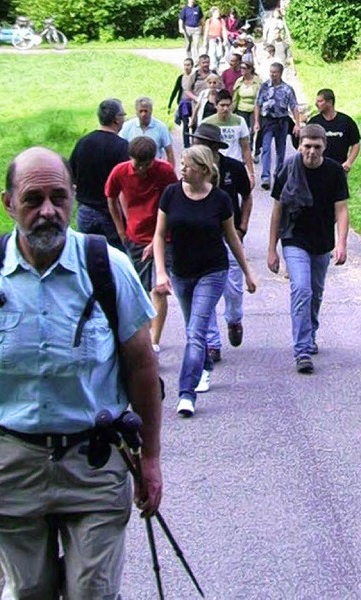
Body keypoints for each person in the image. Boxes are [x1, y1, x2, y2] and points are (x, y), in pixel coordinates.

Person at [0, 147, 163, 598]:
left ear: (73, 197)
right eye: (33, 199)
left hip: (94, 463)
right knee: (28, 590)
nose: (48, 211)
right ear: (8, 203)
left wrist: (149, 459)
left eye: (59, 197)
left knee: (92, 592)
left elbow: (142, 367)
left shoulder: (107, 268)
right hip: (8, 463)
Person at [153, 146, 256, 417]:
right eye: (182, 164)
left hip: (213, 271)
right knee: (192, 327)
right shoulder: (171, 194)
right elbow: (159, 235)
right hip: (182, 272)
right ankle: (206, 366)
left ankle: (186, 394)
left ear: (203, 169)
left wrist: (246, 271)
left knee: (195, 333)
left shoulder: (220, 199)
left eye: (187, 165)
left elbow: (232, 237)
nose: (182, 169)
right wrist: (161, 272)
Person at [267, 125, 349, 373]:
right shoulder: (289, 169)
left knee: (315, 292)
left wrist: (342, 243)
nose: (311, 152)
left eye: (317, 147)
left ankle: (310, 331)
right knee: (301, 289)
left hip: (322, 240)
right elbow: (277, 211)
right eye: (307, 146)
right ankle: (301, 350)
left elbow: (342, 209)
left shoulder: (334, 171)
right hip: (294, 237)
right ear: (300, 145)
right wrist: (272, 248)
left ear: (324, 146)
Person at [106, 137, 178, 354]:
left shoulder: (164, 171)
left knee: (159, 287)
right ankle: (143, 334)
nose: (140, 169)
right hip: (135, 236)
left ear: (153, 160)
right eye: (137, 163)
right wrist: (120, 228)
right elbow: (110, 197)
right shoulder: (120, 171)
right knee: (139, 288)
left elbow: (174, 203)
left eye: (145, 164)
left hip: (163, 235)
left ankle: (154, 341)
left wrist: (158, 238)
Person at [190, 124, 253, 363]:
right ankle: (212, 343)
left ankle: (234, 319)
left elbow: (247, 197)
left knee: (233, 291)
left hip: (230, 237)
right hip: (202, 240)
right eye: (196, 141)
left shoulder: (234, 168)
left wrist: (243, 226)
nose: (196, 145)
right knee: (204, 294)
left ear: (214, 146)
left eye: (201, 142)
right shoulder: (192, 171)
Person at [69, 98, 128, 251]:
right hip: (111, 215)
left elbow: (70, 175)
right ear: (116, 119)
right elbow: (126, 187)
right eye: (123, 115)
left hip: (85, 212)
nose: (124, 119)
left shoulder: (83, 143)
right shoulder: (122, 147)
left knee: (87, 260)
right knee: (116, 261)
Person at [254, 62, 302, 190]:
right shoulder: (264, 87)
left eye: (275, 72)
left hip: (282, 121)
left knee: (281, 150)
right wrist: (257, 122)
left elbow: (294, 106)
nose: (272, 74)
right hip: (267, 121)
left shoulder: (287, 89)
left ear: (280, 73)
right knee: (266, 148)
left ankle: (279, 174)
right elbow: (258, 104)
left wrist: (297, 124)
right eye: (271, 71)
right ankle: (265, 177)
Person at [201, 89, 255, 187]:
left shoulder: (239, 121)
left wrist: (251, 173)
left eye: (228, 105)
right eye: (222, 105)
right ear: (215, 105)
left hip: (235, 164)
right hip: (214, 166)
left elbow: (246, 148)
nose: (225, 108)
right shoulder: (207, 123)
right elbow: (200, 148)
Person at [308, 88, 361, 173]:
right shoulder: (314, 122)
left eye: (320, 101)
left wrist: (349, 162)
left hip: (340, 169)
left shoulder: (346, 121)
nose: (316, 104)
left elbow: (356, 143)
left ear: (330, 102)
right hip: (317, 168)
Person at [120, 97, 176, 170]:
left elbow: (169, 152)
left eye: (146, 111)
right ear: (136, 111)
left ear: (151, 111)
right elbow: (120, 149)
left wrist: (170, 171)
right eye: (141, 111)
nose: (143, 114)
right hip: (133, 168)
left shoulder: (161, 127)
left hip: (154, 169)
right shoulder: (127, 126)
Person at [168, 58, 195, 148]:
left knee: (194, 123)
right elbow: (175, 91)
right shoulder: (181, 78)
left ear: (192, 66)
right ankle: (186, 144)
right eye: (185, 65)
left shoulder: (195, 77)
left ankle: (195, 142)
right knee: (185, 124)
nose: (186, 67)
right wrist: (170, 105)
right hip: (184, 103)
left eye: (188, 65)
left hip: (193, 103)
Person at [233, 60, 260, 147]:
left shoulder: (258, 81)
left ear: (250, 69)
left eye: (244, 68)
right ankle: (243, 148)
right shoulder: (239, 81)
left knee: (253, 131)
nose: (242, 70)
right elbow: (235, 98)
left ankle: (253, 148)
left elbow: (261, 97)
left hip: (254, 109)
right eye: (241, 68)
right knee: (242, 131)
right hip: (241, 109)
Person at [203, 6, 227, 72]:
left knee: (219, 54)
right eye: (216, 12)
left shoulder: (221, 20)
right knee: (212, 53)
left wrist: (225, 39)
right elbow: (206, 31)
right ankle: (213, 68)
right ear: (213, 13)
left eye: (218, 12)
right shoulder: (209, 21)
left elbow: (224, 30)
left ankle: (217, 66)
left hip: (219, 39)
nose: (218, 14)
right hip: (211, 39)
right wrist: (205, 40)